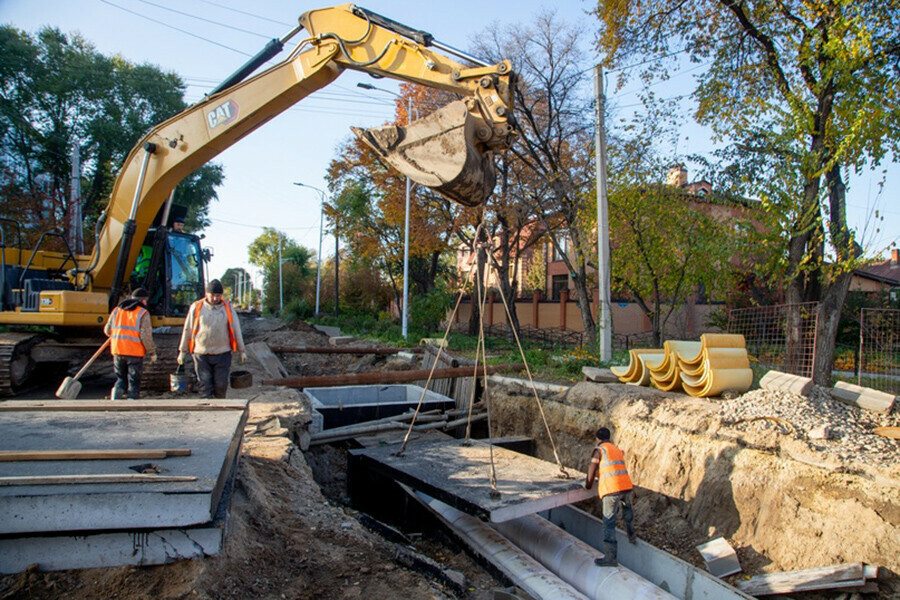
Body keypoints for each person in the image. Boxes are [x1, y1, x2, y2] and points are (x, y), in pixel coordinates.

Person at [177, 279, 246, 398]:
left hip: (222, 353)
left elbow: (236, 329)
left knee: (221, 384)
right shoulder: (197, 307)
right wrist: (182, 351)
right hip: (201, 354)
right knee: (204, 385)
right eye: (212, 295)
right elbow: (187, 329)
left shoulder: (228, 308)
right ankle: (207, 410)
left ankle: (219, 409)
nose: (215, 298)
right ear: (206, 294)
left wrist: (242, 350)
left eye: (218, 295)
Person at [584, 427, 636, 567]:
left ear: (597, 438)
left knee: (609, 521)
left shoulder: (599, 450)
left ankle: (610, 557)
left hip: (612, 489)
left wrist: (588, 485)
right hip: (626, 486)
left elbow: (592, 469)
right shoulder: (615, 449)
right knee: (627, 511)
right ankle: (631, 536)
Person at [104, 288, 157, 400]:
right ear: (143, 301)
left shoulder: (116, 311)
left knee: (121, 378)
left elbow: (107, 330)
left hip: (117, 351)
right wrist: (152, 352)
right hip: (134, 352)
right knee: (134, 380)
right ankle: (132, 400)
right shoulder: (143, 313)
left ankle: (116, 397)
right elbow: (145, 336)